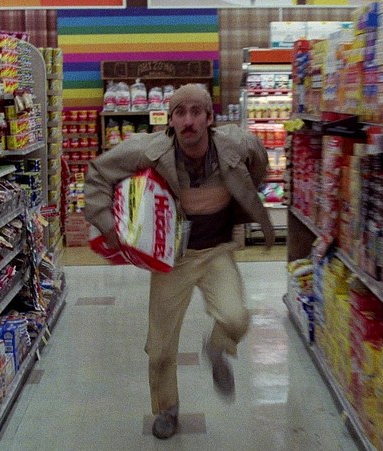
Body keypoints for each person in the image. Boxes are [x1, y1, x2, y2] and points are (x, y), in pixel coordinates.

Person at [83, 84, 274, 440]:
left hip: (216, 251)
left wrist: (243, 199)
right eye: (180, 113)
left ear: (210, 118)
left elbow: (259, 161)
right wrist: (108, 224)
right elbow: (98, 172)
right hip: (173, 259)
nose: (188, 121)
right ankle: (167, 408)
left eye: (196, 112)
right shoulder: (148, 150)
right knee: (160, 348)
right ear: (170, 120)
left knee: (236, 317)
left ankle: (216, 348)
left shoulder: (236, 145)